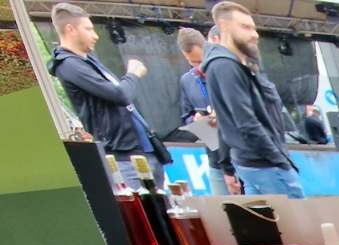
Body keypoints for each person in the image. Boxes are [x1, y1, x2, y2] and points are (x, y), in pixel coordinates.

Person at [47, 4, 169, 192]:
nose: (95, 35)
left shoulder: (87, 61)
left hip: (141, 148)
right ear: (70, 29)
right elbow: (120, 95)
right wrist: (133, 74)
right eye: (88, 29)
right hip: (123, 156)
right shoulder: (69, 65)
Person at [205, 2, 302, 197]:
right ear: (224, 26)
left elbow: (226, 122)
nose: (254, 34)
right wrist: (279, 160)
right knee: (296, 224)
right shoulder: (225, 67)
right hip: (265, 164)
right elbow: (246, 122)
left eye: (253, 28)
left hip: (258, 163)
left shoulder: (234, 65)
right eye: (245, 27)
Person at [175, 25, 232, 196]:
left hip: (238, 155)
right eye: (193, 62)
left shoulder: (225, 70)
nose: (199, 67)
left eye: (201, 61)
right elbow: (185, 116)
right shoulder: (187, 80)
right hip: (214, 157)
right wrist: (195, 120)